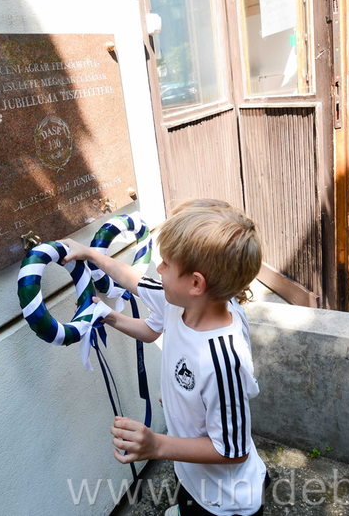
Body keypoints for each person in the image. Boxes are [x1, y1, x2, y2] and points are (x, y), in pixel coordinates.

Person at [59, 199, 268, 516]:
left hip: (226, 500)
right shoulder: (183, 302)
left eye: (166, 264)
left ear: (196, 283)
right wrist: (90, 258)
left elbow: (232, 450)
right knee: (188, 490)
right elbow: (133, 285)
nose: (158, 269)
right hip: (193, 472)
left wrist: (156, 445)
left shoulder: (223, 360)